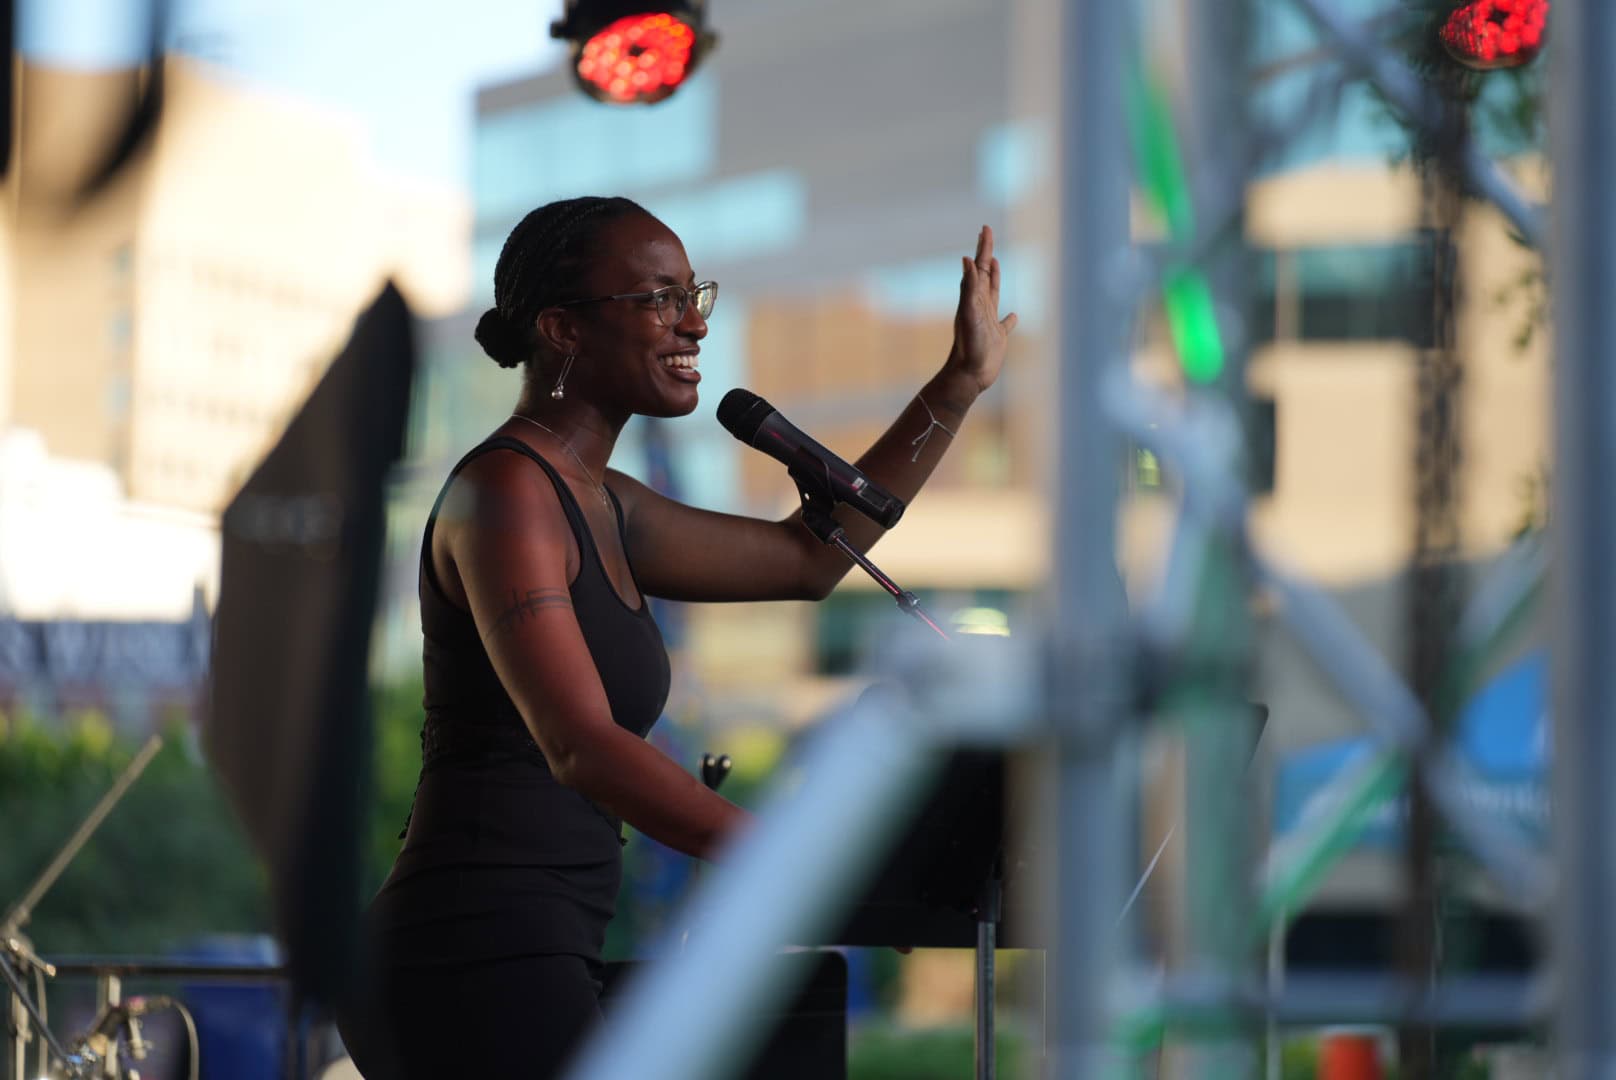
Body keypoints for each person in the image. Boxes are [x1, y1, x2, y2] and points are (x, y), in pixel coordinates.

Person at [336, 195, 1016, 1078]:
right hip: (467, 945)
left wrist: (956, 387)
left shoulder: (605, 500)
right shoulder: (505, 492)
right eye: (660, 298)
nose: (694, 322)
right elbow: (581, 746)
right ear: (561, 328)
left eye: (695, 293)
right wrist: (791, 852)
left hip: (535, 945)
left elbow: (804, 561)